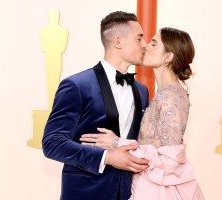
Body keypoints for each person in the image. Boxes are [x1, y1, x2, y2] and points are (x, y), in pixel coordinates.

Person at [81, 27, 205, 199]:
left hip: (162, 190)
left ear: (168, 57)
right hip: (148, 183)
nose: (146, 46)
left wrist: (116, 142)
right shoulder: (164, 93)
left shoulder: (171, 96)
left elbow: (169, 162)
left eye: (154, 43)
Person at [42, 11, 150, 200]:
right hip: (86, 193)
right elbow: (52, 143)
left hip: (129, 193)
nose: (145, 45)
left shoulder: (142, 90)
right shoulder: (76, 86)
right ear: (118, 42)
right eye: (139, 39)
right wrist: (107, 157)